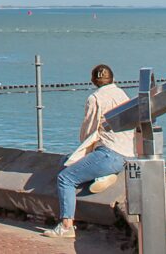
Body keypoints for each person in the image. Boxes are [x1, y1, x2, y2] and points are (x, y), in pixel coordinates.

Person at [43, 63, 134, 238]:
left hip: (108, 154)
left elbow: (89, 131)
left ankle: (66, 226)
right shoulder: (122, 94)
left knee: (65, 178)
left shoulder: (95, 98)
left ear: (93, 81)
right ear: (113, 79)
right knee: (66, 162)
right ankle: (101, 176)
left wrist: (84, 147)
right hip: (127, 153)